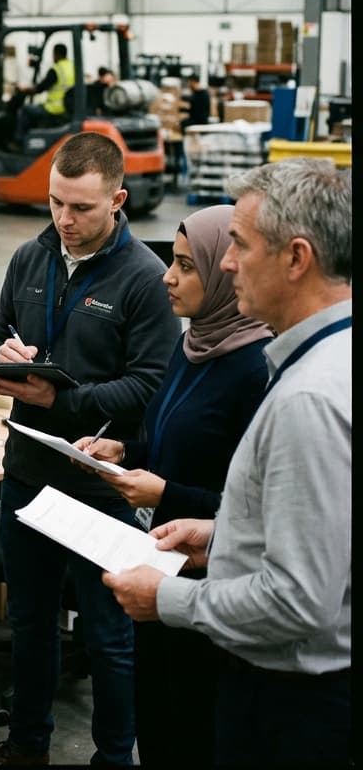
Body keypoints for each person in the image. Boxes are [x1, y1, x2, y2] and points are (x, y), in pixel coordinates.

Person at [103, 157, 351, 767]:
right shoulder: (323, 359)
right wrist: (221, 535)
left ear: (296, 258)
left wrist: (167, 600)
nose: (229, 263)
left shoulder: (309, 397)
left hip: (290, 700)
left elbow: (298, 601)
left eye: (239, 245)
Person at [0, 132, 179, 766]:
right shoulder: (28, 259)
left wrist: (57, 400)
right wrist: (3, 359)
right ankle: (27, 744)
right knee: (30, 624)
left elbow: (151, 382)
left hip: (101, 483)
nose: (65, 220)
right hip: (29, 473)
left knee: (110, 634)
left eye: (82, 208)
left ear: (117, 200)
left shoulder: (145, 278)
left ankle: (115, 756)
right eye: (56, 203)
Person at [73, 204, 273, 766]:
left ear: (224, 274)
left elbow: (252, 509)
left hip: (213, 585)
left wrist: (165, 495)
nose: (168, 276)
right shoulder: (192, 346)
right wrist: (124, 452)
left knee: (194, 731)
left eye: (186, 266)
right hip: (161, 564)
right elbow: (169, 437)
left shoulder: (254, 370)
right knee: (156, 723)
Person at [11, 41, 75, 149]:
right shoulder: (72, 66)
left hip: (54, 108)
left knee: (24, 111)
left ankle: (18, 142)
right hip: (68, 107)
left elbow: (40, 88)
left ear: (56, 54)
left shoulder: (56, 69)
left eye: (53, 54)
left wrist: (25, 89)